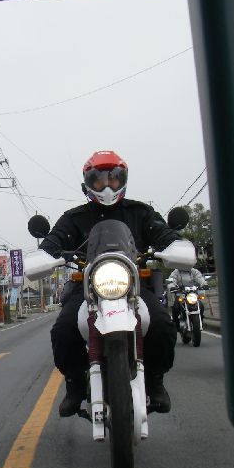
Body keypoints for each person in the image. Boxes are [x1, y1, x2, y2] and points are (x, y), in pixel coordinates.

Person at [39, 150, 180, 417]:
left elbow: (165, 235)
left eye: (113, 178)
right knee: (63, 330)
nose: (107, 185)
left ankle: (155, 380)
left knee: (162, 325)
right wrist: (46, 255)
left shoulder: (140, 213)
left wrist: (174, 246)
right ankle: (75, 385)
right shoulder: (74, 218)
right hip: (88, 287)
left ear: (122, 180)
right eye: (99, 179)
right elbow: (53, 242)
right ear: (88, 183)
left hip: (133, 285)